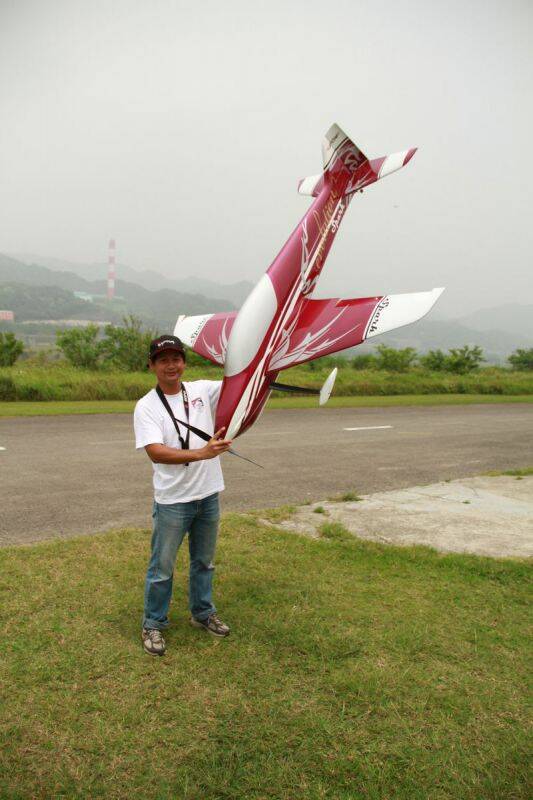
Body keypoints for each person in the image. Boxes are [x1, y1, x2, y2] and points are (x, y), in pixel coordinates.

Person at [134, 334, 232, 656]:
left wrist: (266, 367)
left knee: (204, 562)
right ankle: (153, 623)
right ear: (152, 366)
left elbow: (240, 387)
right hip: (173, 501)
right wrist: (203, 454)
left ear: (184, 363)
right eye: (163, 360)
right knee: (161, 567)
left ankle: (202, 613)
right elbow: (156, 452)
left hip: (208, 495)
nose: (171, 365)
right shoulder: (147, 406)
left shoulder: (202, 389)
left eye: (176, 358)